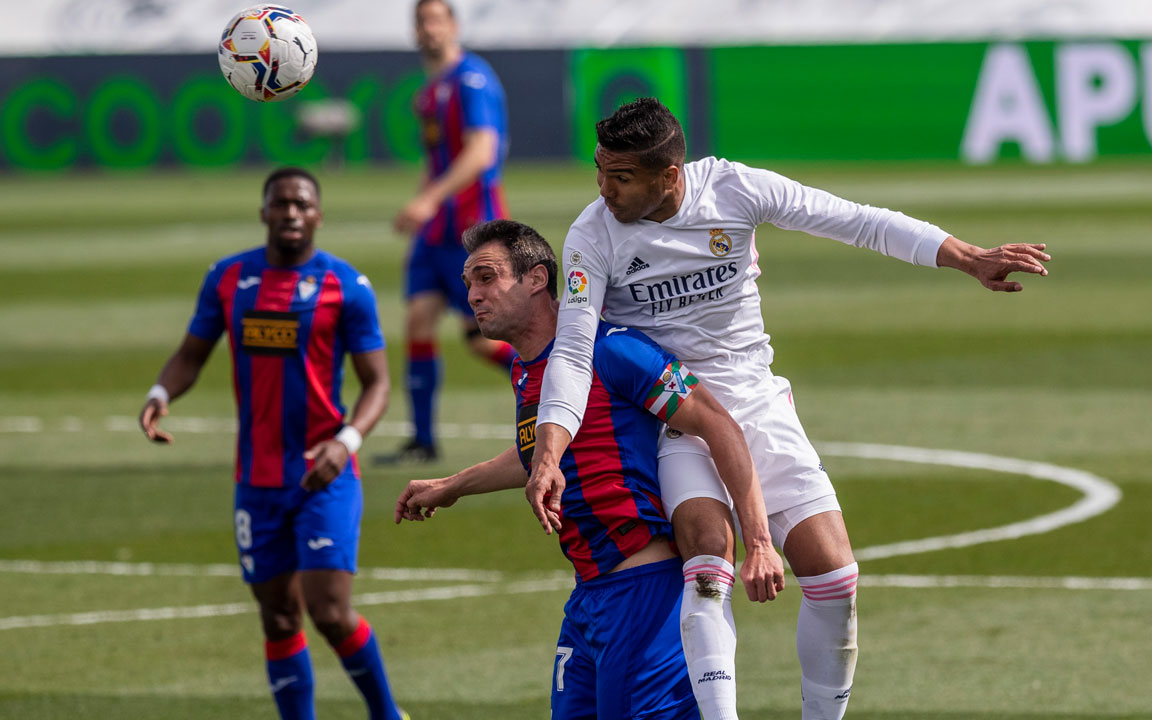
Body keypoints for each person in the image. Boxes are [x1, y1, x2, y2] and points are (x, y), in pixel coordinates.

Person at [527, 97, 1052, 720]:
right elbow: (575, 349)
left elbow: (857, 220)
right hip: (674, 415)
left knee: (835, 577)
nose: (603, 190)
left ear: (670, 175)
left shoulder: (736, 189)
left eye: (620, 177)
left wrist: (967, 257)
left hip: (756, 398)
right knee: (707, 561)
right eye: (599, 171)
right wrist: (550, 452)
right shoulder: (592, 234)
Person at [394, 219, 786, 719]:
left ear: (537, 278)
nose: (472, 294)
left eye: (487, 277)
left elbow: (719, 425)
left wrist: (757, 541)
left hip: (643, 593)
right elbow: (540, 457)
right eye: (468, 282)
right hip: (589, 596)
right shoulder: (525, 369)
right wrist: (452, 486)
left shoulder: (612, 350)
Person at [139, 167, 407, 720]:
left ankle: (386, 714)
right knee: (279, 617)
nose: (291, 213)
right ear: (263, 212)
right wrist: (162, 391)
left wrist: (348, 441)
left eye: (302, 204)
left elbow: (377, 382)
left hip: (323, 473)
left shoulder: (345, 286)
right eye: (280, 203)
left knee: (330, 612)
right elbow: (191, 354)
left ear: (318, 216)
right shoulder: (229, 278)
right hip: (256, 480)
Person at [380, 0, 516, 464]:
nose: (428, 29)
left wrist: (429, 199)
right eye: (421, 21)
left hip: (471, 227)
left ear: (453, 26)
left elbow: (481, 152)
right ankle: (423, 441)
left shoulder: (471, 79)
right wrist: (420, 202)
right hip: (435, 230)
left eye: (436, 20)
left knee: (481, 339)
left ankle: (557, 391)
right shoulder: (429, 91)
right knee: (418, 320)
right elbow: (436, 161)